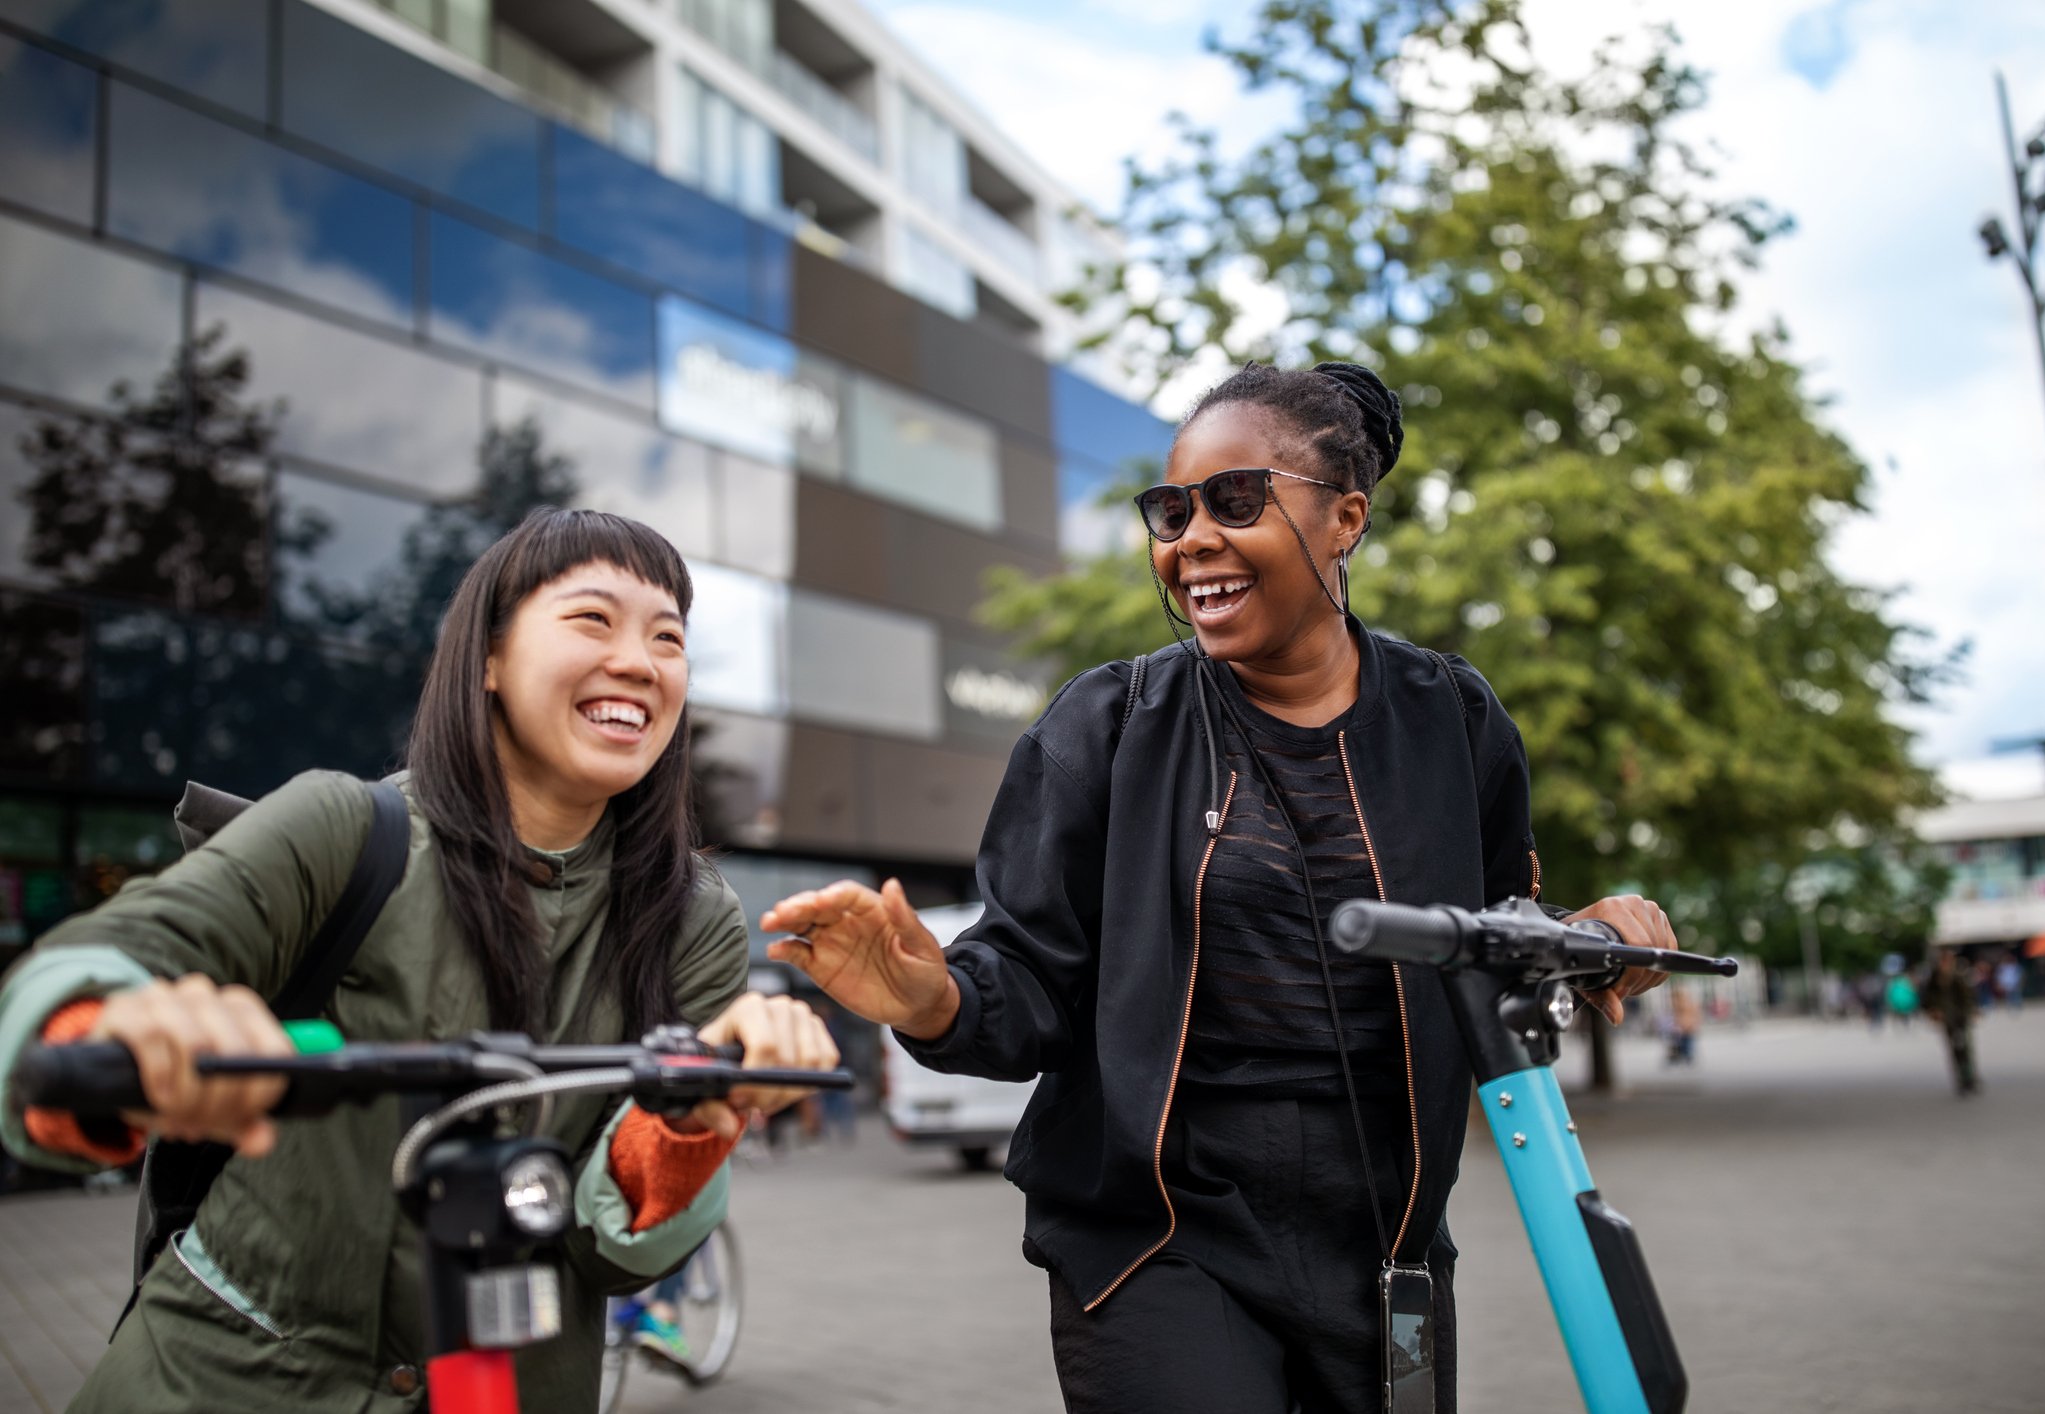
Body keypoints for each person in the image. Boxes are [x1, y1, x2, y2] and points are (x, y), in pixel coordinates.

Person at [760, 362, 1675, 1414]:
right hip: (1159, 1236)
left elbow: (1496, 940)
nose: (1190, 536)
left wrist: (1591, 944)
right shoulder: (1106, 727)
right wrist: (928, 995)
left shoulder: (1453, 722)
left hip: (1389, 1239)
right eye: (1170, 509)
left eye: (1236, 499)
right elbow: (1023, 979)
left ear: (1345, 518)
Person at [0, 508, 838, 1413]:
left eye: (668, 637)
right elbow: (110, 955)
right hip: (219, 1383)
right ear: (487, 658)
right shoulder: (345, 827)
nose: (639, 660)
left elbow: (612, 1247)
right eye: (593, 620)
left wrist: (696, 1110)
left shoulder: (695, 919)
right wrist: (115, 1028)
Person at [1920, 948, 1979, 1096]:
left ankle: (1969, 1077)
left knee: (1965, 1048)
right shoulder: (1935, 977)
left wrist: (1971, 1011)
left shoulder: (1959, 975)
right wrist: (1932, 1010)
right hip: (1947, 1019)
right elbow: (1927, 997)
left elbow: (1967, 996)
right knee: (1954, 1049)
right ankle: (1960, 1079)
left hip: (1960, 1017)